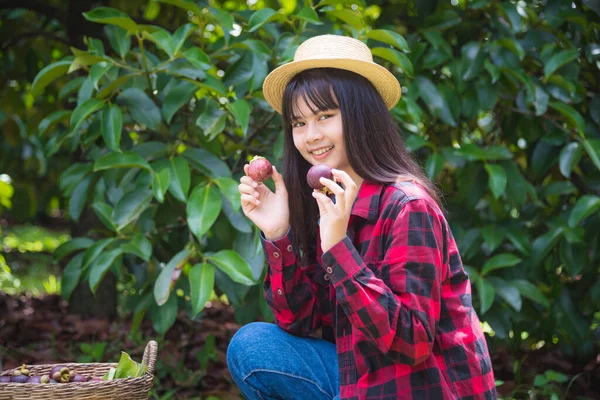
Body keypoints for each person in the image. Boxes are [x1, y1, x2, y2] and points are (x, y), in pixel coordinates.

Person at [227, 34, 497, 400]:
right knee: (252, 346)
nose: (312, 136)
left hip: (419, 389)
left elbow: (412, 343)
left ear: (360, 116)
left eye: (325, 116)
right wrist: (279, 235)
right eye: (299, 123)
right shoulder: (327, 202)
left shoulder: (408, 206)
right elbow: (303, 324)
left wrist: (338, 248)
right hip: (363, 380)